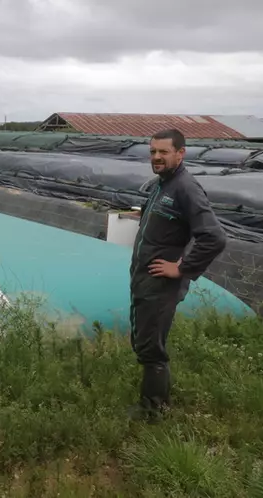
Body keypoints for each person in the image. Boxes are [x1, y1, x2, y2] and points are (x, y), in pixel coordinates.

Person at [128, 128, 227, 423]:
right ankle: (155, 402)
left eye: (163, 152)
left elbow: (214, 237)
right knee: (144, 338)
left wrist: (182, 268)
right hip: (145, 277)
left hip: (161, 282)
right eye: (153, 152)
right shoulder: (162, 184)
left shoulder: (186, 188)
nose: (156, 157)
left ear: (180, 153)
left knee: (151, 346)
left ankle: (154, 410)